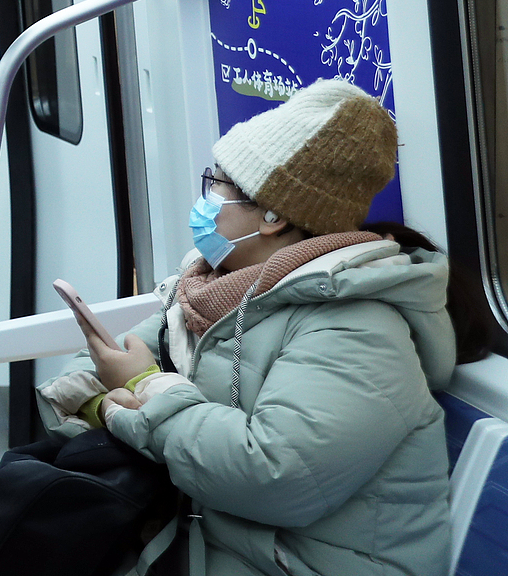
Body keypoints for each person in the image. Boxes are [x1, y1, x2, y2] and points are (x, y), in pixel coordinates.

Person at [39, 79, 478, 576]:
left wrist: (143, 389)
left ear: (271, 216)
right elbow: (92, 373)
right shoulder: (212, 286)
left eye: (218, 182)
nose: (205, 198)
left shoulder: (358, 329)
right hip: (208, 540)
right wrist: (111, 403)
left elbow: (275, 478)